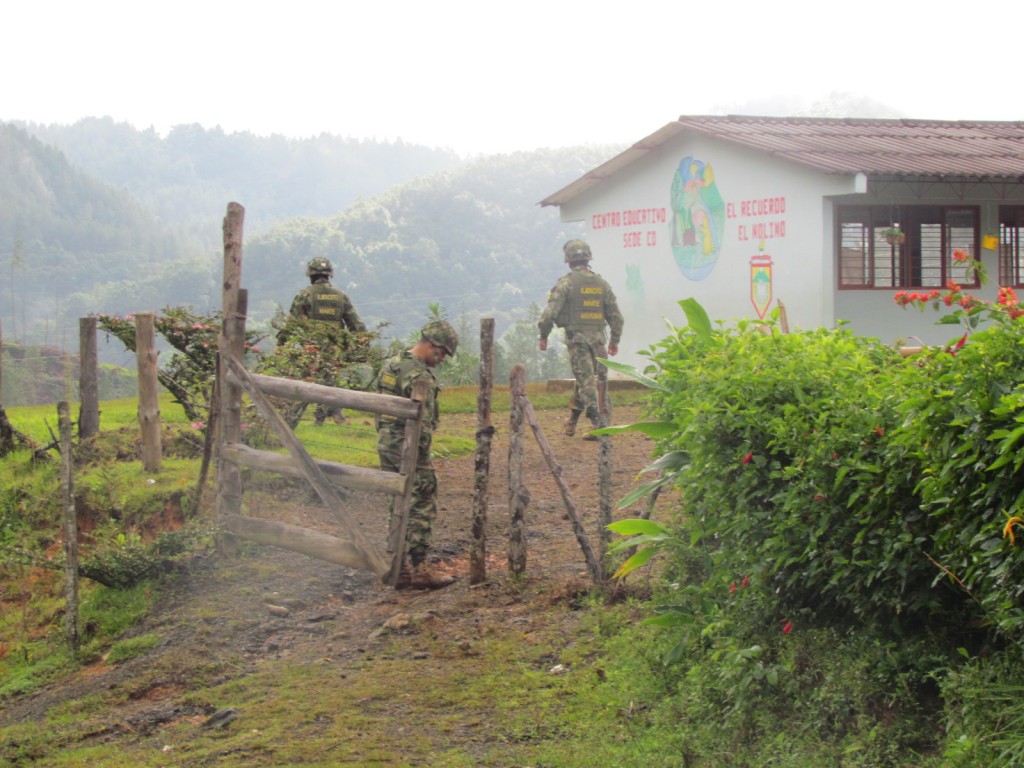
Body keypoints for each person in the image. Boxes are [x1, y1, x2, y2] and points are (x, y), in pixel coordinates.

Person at [375, 319, 459, 589]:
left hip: (386, 442)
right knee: (422, 497)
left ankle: (397, 567)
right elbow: (423, 419)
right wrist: (423, 454)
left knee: (397, 499)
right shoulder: (419, 375)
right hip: (409, 446)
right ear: (433, 346)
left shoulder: (392, 364)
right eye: (443, 352)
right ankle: (420, 568)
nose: (443, 358)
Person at [538, 239, 624, 440]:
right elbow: (616, 317)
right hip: (598, 341)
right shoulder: (602, 284)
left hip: (578, 342)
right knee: (590, 380)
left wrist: (543, 336)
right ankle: (572, 422)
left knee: (586, 380)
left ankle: (599, 425)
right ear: (588, 258)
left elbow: (549, 315)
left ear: (568, 260)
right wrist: (614, 341)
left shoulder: (566, 283)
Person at [282, 257, 367, 425]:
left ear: (311, 275)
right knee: (329, 384)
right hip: (334, 351)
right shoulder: (341, 296)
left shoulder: (304, 295)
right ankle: (329, 419)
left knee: (306, 386)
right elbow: (356, 325)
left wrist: (281, 344)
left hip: (312, 349)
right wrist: (362, 347)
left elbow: (291, 324)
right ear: (329, 275)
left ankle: (289, 423)